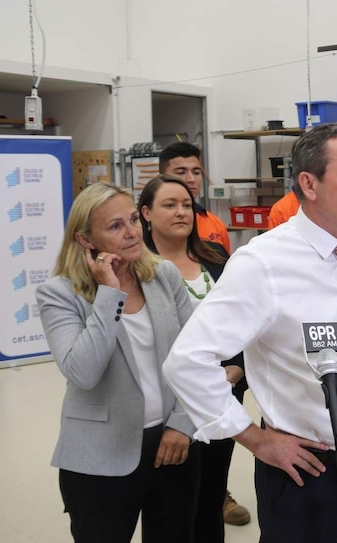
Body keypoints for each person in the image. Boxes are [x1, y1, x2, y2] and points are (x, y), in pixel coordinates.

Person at [162, 120, 337, 543]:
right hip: (302, 468)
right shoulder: (261, 263)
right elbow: (187, 361)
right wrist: (254, 439)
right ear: (309, 184)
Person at [35, 182, 199, 543]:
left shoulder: (163, 275)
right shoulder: (60, 293)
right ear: (85, 240)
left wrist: (183, 425)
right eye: (115, 226)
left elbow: (195, 356)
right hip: (99, 454)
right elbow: (83, 371)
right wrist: (109, 293)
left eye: (132, 220)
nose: (131, 232)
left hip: (172, 445)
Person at [138, 175, 249, 541]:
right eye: (169, 205)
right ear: (146, 214)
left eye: (186, 205)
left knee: (211, 493)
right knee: (171, 506)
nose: (181, 212)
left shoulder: (216, 259)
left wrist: (237, 369)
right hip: (168, 402)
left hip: (222, 393)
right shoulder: (136, 269)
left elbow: (245, 320)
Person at [158, 142, 232, 255]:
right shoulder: (152, 222)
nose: (191, 179)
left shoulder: (214, 224)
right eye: (181, 172)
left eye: (196, 172)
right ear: (162, 177)